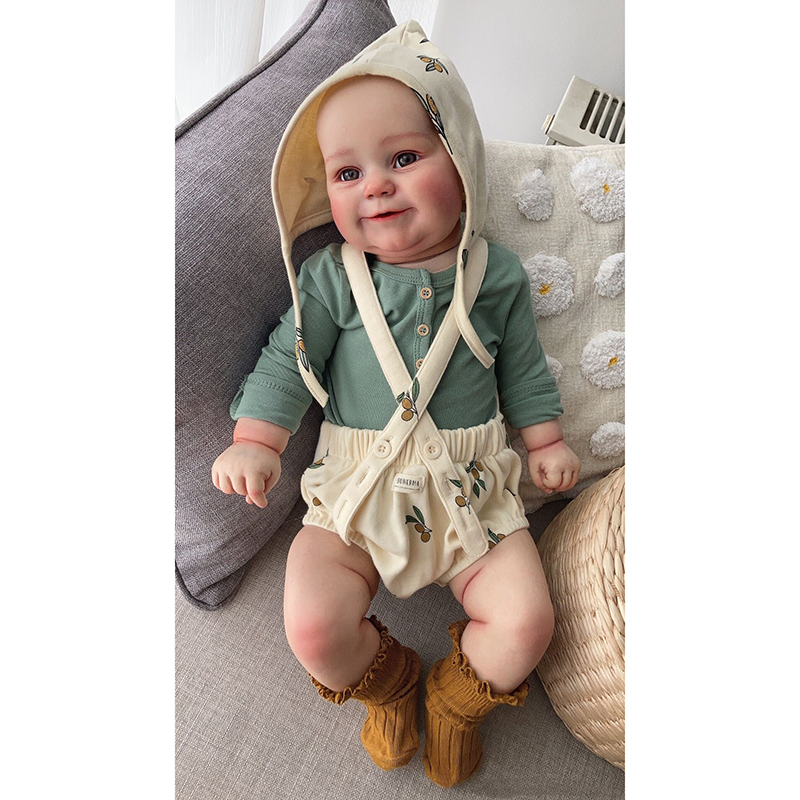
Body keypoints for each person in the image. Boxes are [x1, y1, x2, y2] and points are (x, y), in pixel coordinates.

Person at [211, 21, 580, 788]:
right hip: (357, 490)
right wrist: (257, 440)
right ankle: (390, 684)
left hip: (474, 492)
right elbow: (288, 360)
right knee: (313, 626)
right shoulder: (330, 278)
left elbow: (522, 371)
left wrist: (544, 440)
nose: (375, 184)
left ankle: (455, 700)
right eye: (347, 172)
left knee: (527, 623)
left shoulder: (497, 276)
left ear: (462, 162)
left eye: (404, 158)